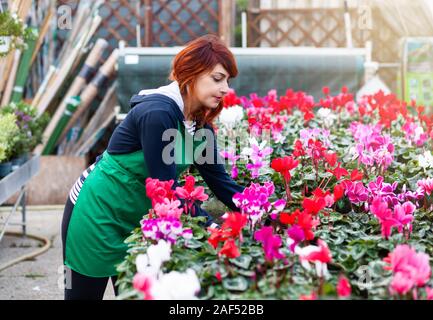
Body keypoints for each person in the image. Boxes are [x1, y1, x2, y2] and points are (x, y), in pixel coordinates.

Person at [61, 34, 245, 300]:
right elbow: (168, 189)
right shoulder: (158, 113)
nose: (226, 88)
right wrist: (214, 229)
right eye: (217, 79)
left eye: (227, 80)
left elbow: (222, 184)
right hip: (98, 212)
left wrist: (265, 214)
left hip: (139, 222)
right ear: (190, 74)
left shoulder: (200, 126)